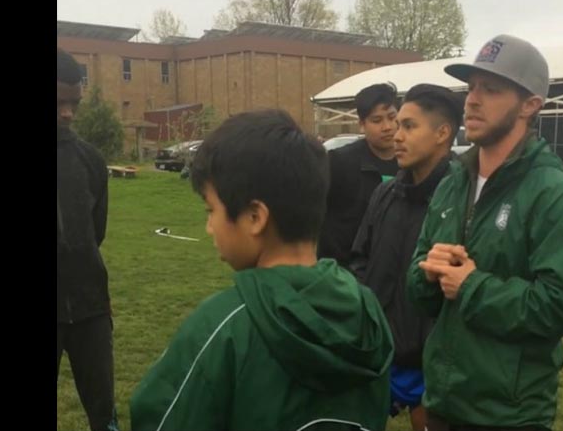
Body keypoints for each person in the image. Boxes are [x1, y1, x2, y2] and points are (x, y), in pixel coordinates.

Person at [130, 109, 395, 431]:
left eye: (211, 210)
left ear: (255, 217)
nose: (209, 227)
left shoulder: (223, 325)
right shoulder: (368, 312)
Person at [406, 34, 563, 431]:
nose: (472, 100)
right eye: (471, 87)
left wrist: (473, 286)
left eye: (491, 90)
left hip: (508, 415)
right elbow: (417, 284)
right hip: (443, 402)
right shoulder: (453, 182)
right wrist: (428, 273)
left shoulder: (555, 196)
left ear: (530, 105)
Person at [351, 83, 464, 431]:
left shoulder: (466, 201)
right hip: (379, 355)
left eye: (408, 126)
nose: (396, 135)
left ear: (442, 133)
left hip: (436, 365)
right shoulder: (385, 193)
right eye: (397, 125)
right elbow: (359, 261)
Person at [57, 48, 120, 431]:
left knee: (104, 414)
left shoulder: (91, 161)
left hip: (90, 308)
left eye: (73, 103)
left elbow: (96, 233)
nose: (67, 113)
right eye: (58, 102)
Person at [317, 83, 400, 267]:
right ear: (362, 124)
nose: (387, 127)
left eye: (392, 117)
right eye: (377, 120)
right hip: (343, 274)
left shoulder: (410, 164)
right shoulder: (338, 162)